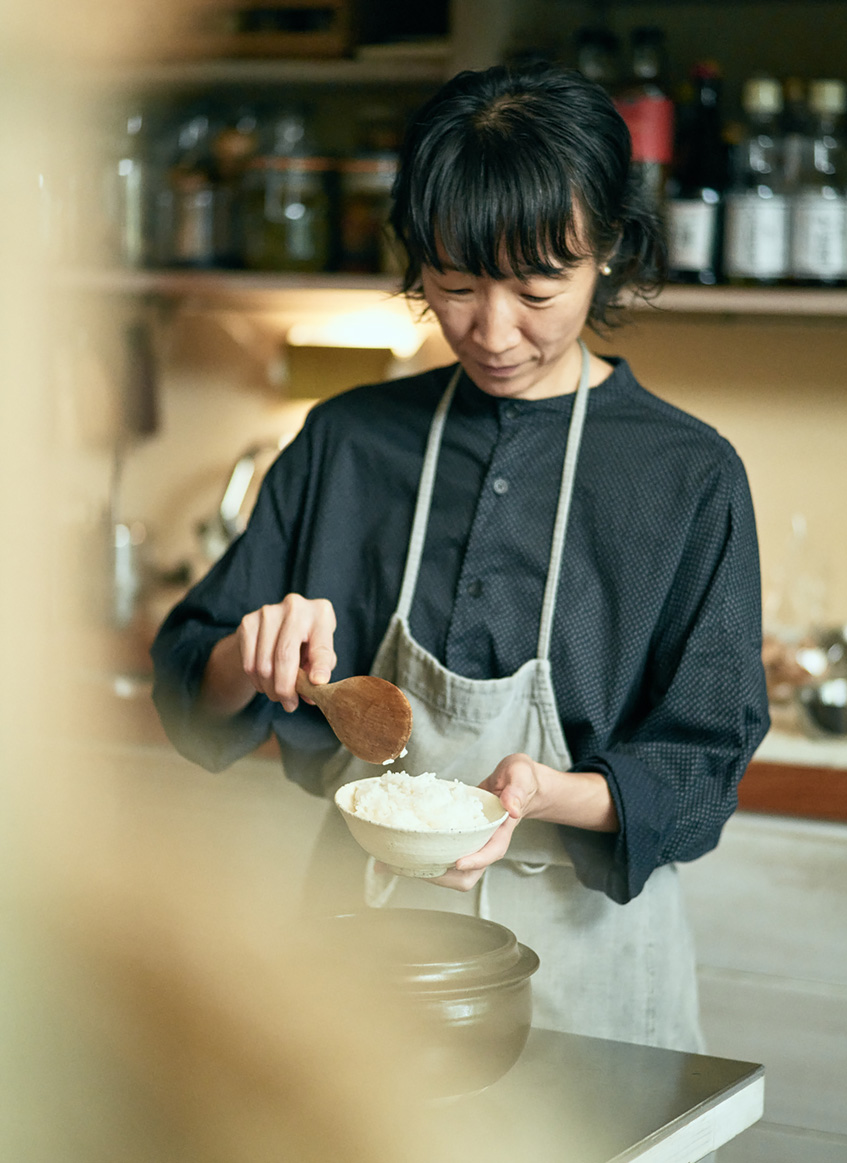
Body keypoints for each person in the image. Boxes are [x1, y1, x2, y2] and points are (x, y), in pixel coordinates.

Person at [151, 62, 770, 1051]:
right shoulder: (348, 442)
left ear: (609, 249)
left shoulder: (687, 476)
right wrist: (246, 655)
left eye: (537, 287)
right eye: (455, 283)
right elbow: (190, 692)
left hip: (589, 969)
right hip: (363, 944)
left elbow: (700, 768)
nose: (493, 329)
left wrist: (538, 792)